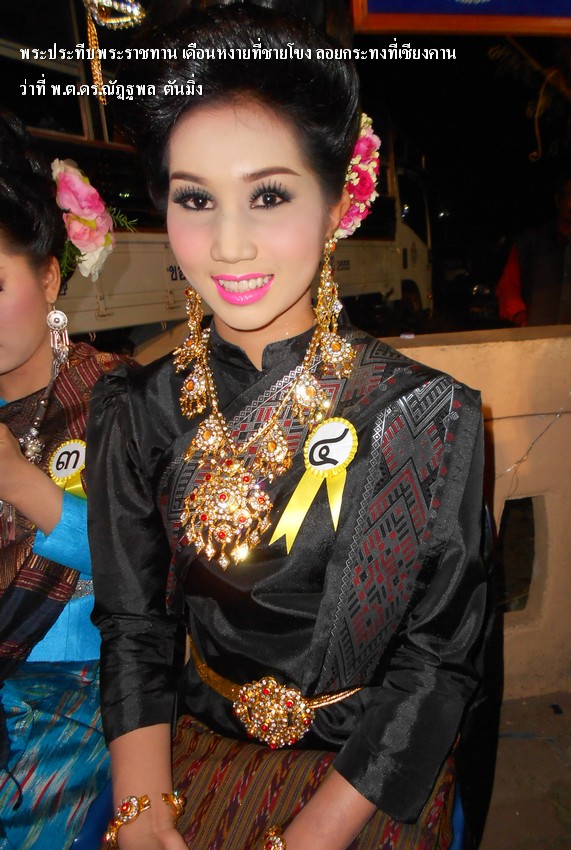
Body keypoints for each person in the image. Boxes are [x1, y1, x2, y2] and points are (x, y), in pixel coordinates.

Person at [86, 5, 497, 850]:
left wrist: (310, 837)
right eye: (196, 199)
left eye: (268, 195)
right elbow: (135, 624)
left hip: (369, 768)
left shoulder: (423, 414)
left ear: (338, 201)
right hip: (192, 744)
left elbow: (437, 660)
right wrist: (142, 809)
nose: (229, 245)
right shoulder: (136, 411)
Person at [0, 112, 129, 848]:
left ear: (48, 275)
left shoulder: (118, 396)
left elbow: (146, 555)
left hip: (87, 695)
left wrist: (20, 482)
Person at [496, 168, 571, 327]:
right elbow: (508, 289)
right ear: (558, 200)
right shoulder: (528, 244)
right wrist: (522, 320)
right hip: (534, 337)